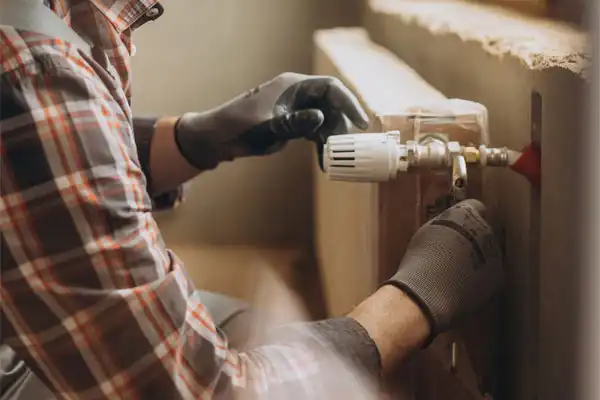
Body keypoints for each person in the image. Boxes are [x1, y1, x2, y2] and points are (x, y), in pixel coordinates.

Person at [0, 0, 504, 398]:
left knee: (232, 322)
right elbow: (204, 393)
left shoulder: (41, 34)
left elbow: (38, 168)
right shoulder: (30, 68)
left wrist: (191, 139)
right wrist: (416, 300)